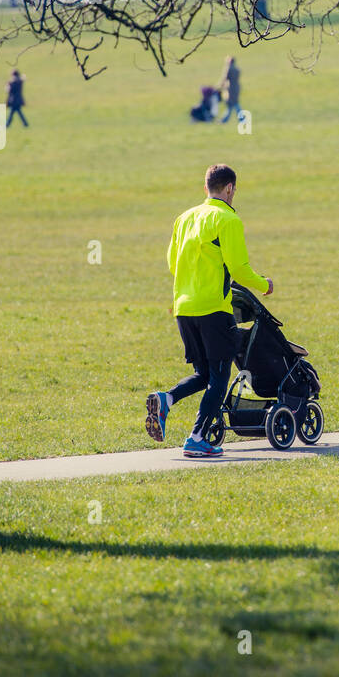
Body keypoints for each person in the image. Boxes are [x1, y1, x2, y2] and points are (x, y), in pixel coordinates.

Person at [145, 164, 274, 458]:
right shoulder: (227, 219)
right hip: (214, 309)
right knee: (219, 375)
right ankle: (197, 437)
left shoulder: (184, 218)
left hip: (183, 308)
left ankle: (166, 399)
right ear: (229, 189)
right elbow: (240, 268)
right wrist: (263, 284)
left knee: (204, 374)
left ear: (206, 188)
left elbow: (172, 264)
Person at [219, 56, 242, 124]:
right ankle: (224, 120)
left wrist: (219, 86)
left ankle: (242, 118)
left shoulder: (229, 69)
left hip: (230, 89)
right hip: (237, 87)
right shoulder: (237, 69)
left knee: (234, 104)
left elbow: (225, 78)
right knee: (232, 104)